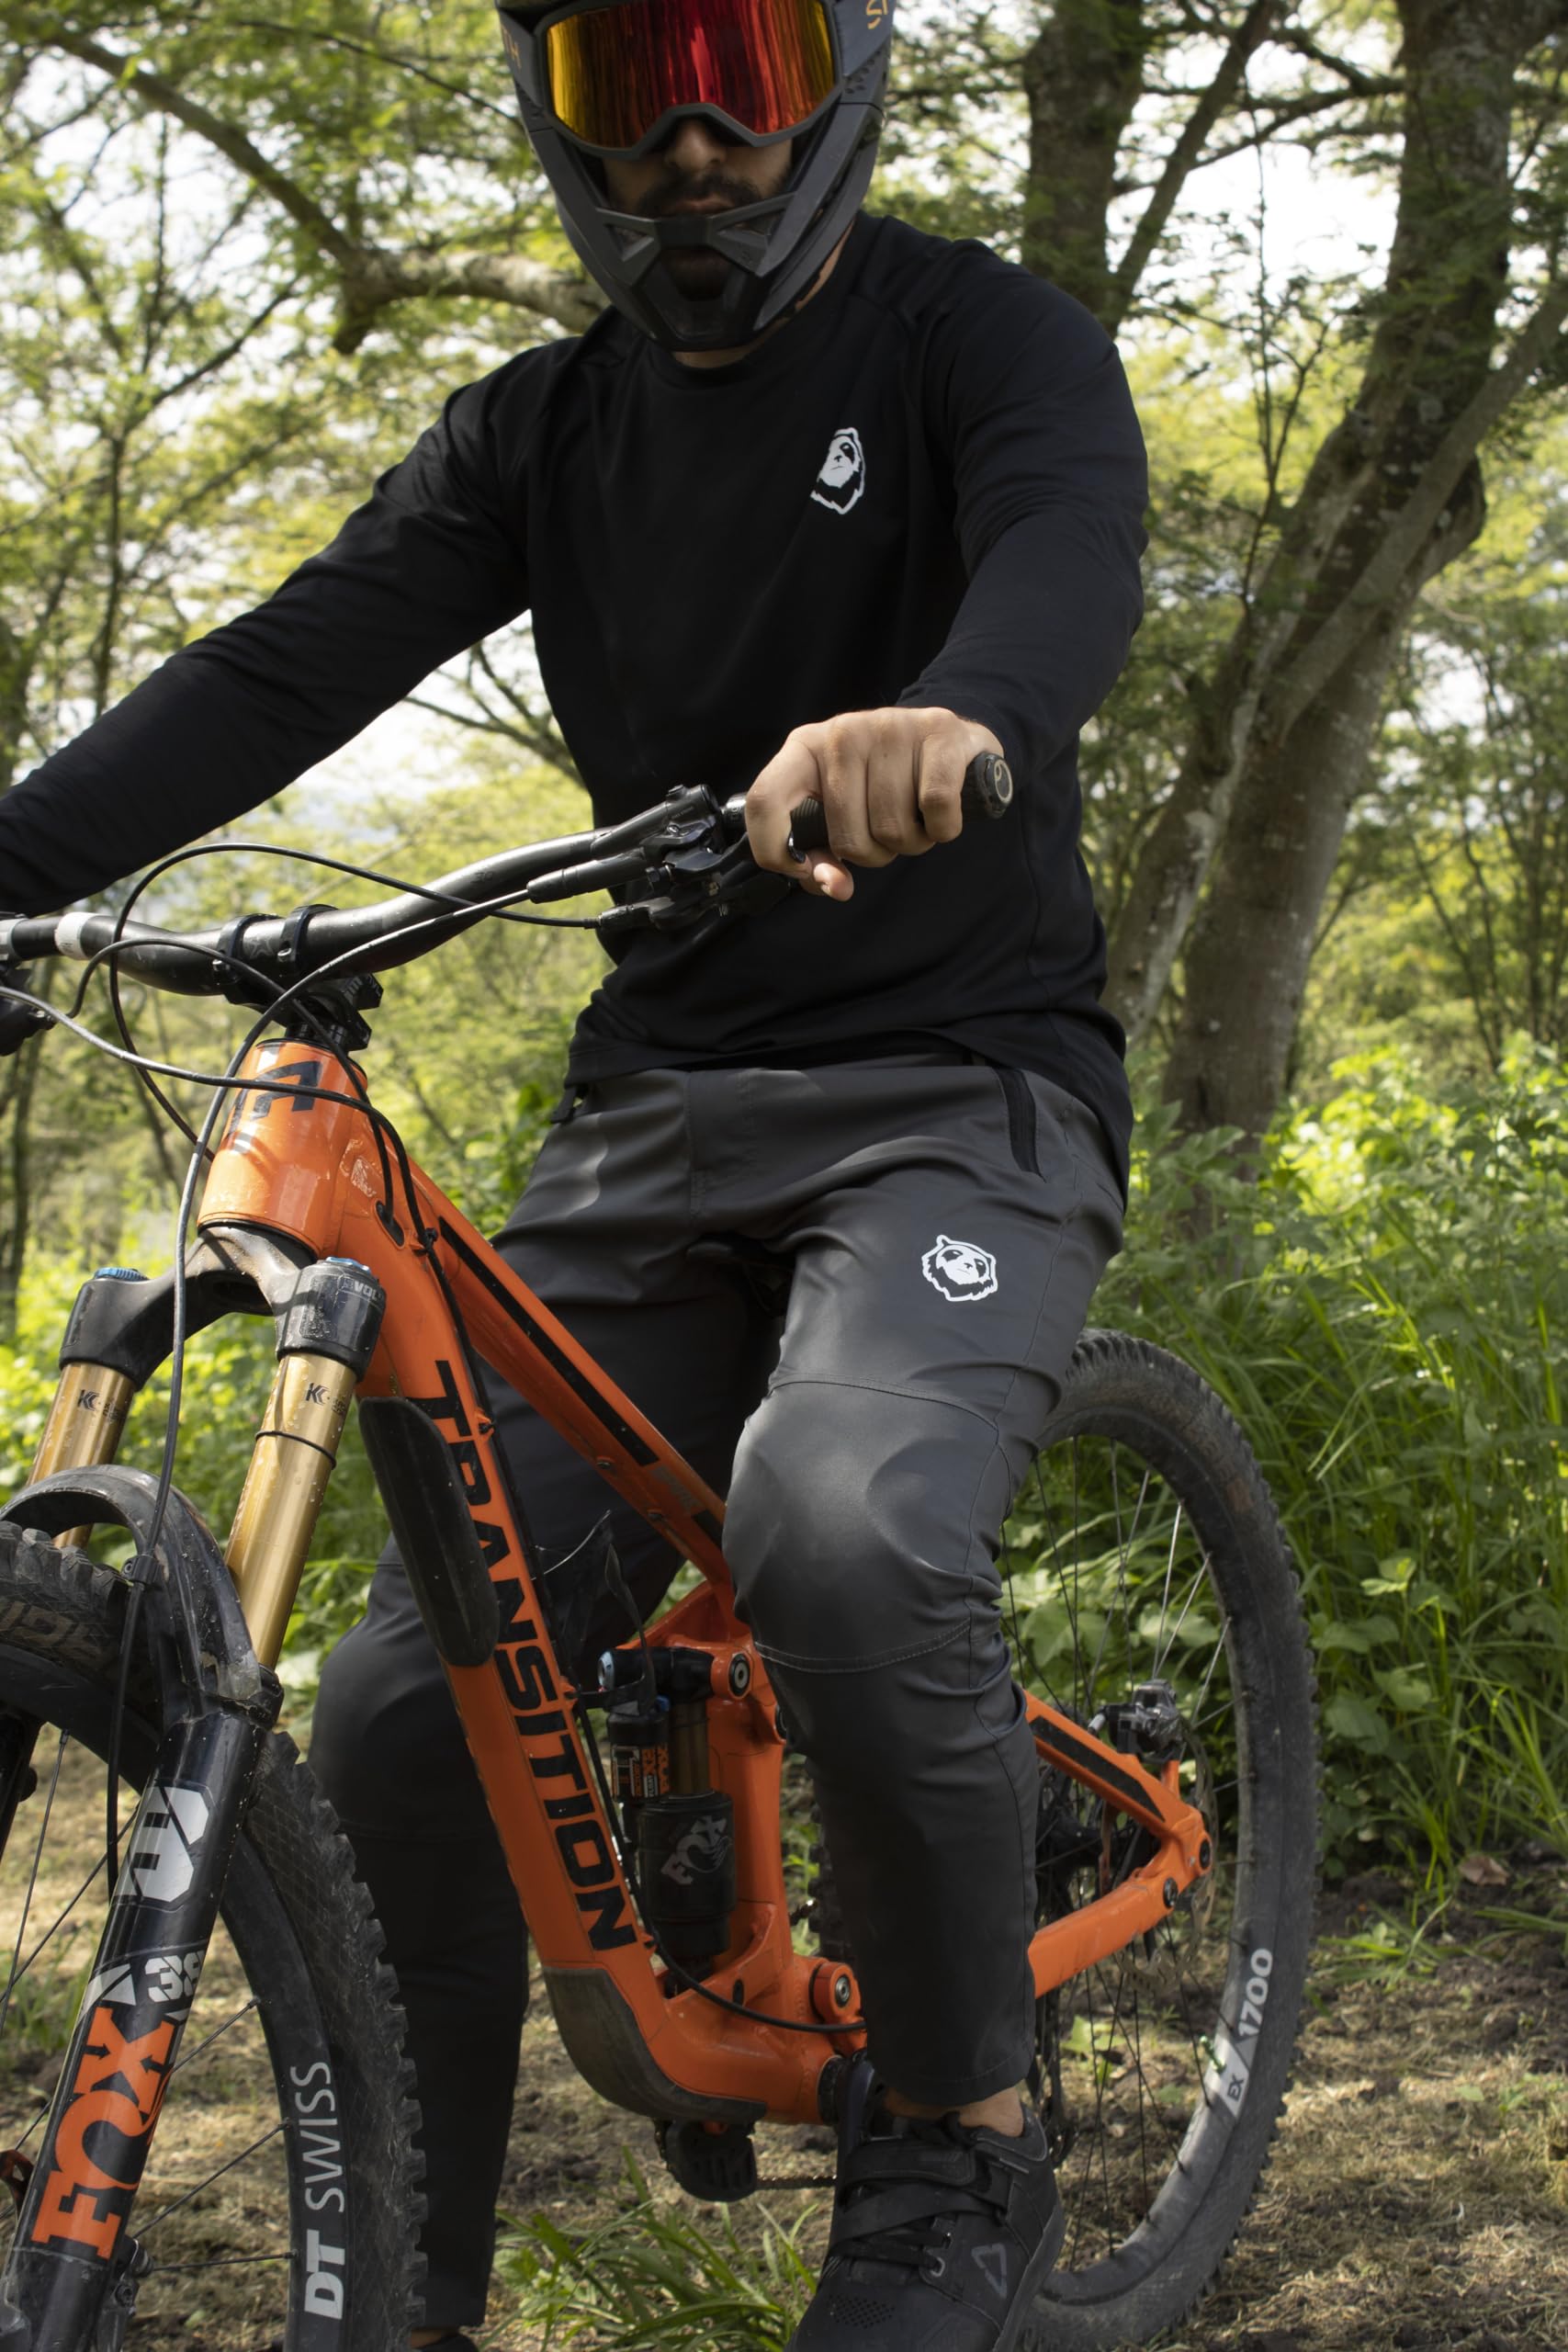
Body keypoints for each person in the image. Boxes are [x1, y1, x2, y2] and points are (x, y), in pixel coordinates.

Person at [0, 3, 1147, 2345]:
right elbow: (270, 674)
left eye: (742, 59)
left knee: (842, 1526)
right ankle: (400, 2281)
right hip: (650, 1125)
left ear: (837, 78)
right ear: (559, 118)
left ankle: (957, 2142)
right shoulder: (534, 433)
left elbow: (1063, 554)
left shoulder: (978, 337)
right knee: (399, 1707)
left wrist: (962, 715)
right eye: (635, 79)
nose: (695, 134)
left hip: (957, 1091)